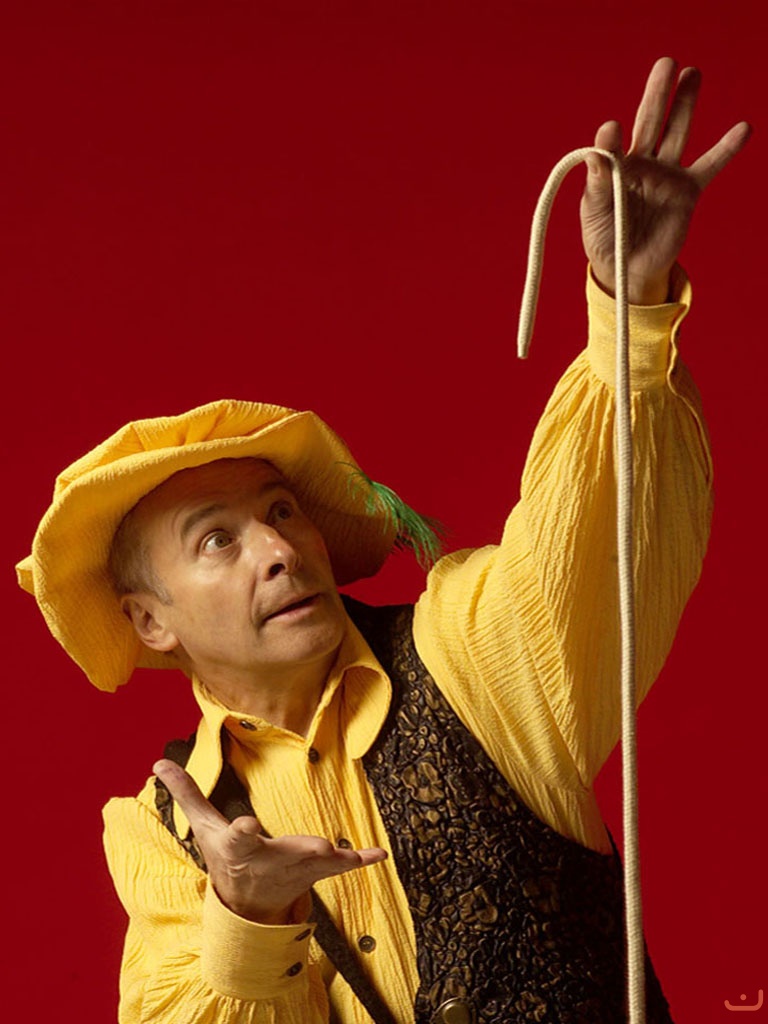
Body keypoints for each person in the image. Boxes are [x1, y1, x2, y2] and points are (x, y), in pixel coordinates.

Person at [17, 58, 750, 1024]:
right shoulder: (161, 835)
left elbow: (597, 537)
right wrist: (247, 915)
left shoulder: (463, 652)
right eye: (217, 541)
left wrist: (628, 304)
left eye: (282, 512)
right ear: (150, 620)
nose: (279, 549)